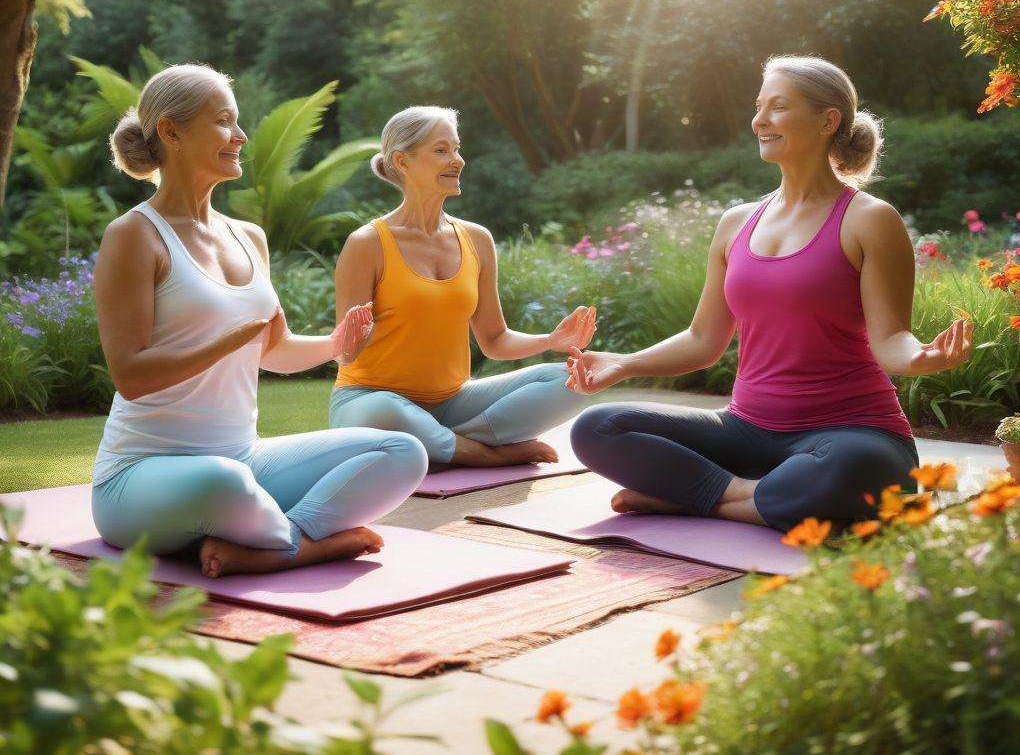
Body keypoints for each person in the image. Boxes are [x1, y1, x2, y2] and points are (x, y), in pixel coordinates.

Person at [566, 56, 973, 532]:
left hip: (847, 435)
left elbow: (890, 339)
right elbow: (703, 340)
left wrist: (921, 356)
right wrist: (623, 363)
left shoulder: (869, 219)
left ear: (828, 121)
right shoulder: (735, 223)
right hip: (744, 431)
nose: (759, 121)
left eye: (778, 107)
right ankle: (756, 498)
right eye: (759, 107)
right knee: (596, 428)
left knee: (857, 468)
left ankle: (698, 497)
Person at [92, 65, 428, 579]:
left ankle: (276, 539)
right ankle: (307, 546)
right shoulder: (134, 235)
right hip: (140, 476)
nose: (241, 136)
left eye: (237, 120)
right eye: (223, 121)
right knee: (224, 484)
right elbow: (131, 376)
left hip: (244, 459)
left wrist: (337, 344)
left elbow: (273, 349)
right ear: (171, 131)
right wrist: (225, 342)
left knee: (402, 450)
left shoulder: (249, 237)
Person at [329, 105, 595, 467]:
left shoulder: (476, 239)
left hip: (454, 403)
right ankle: (486, 454)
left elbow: (495, 339)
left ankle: (444, 445)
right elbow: (344, 352)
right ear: (402, 162)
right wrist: (350, 343)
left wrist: (551, 341)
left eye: (456, 149)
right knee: (385, 411)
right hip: (370, 401)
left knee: (572, 379)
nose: (457, 160)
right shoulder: (367, 243)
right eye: (441, 150)